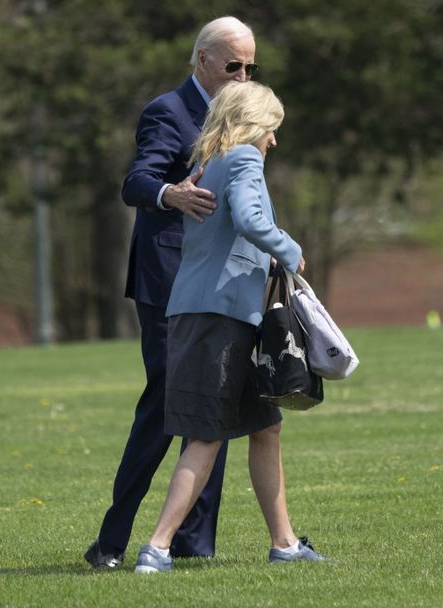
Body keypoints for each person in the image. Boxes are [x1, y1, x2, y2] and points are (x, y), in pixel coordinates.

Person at [85, 16, 259, 569]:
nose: (243, 75)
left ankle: (193, 544)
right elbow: (135, 182)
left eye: (251, 66)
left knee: (217, 404)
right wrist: (170, 194)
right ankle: (111, 541)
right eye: (234, 65)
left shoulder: (240, 114)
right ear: (203, 60)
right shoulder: (169, 110)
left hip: (221, 287)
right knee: (164, 407)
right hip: (169, 286)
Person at [133, 81, 325, 574]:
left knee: (266, 427)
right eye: (272, 129)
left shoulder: (209, 162)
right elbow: (250, 218)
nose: (274, 141)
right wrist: (288, 248)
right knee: (205, 435)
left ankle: (284, 543)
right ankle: (156, 548)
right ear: (252, 123)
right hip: (216, 318)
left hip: (224, 315)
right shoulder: (241, 158)